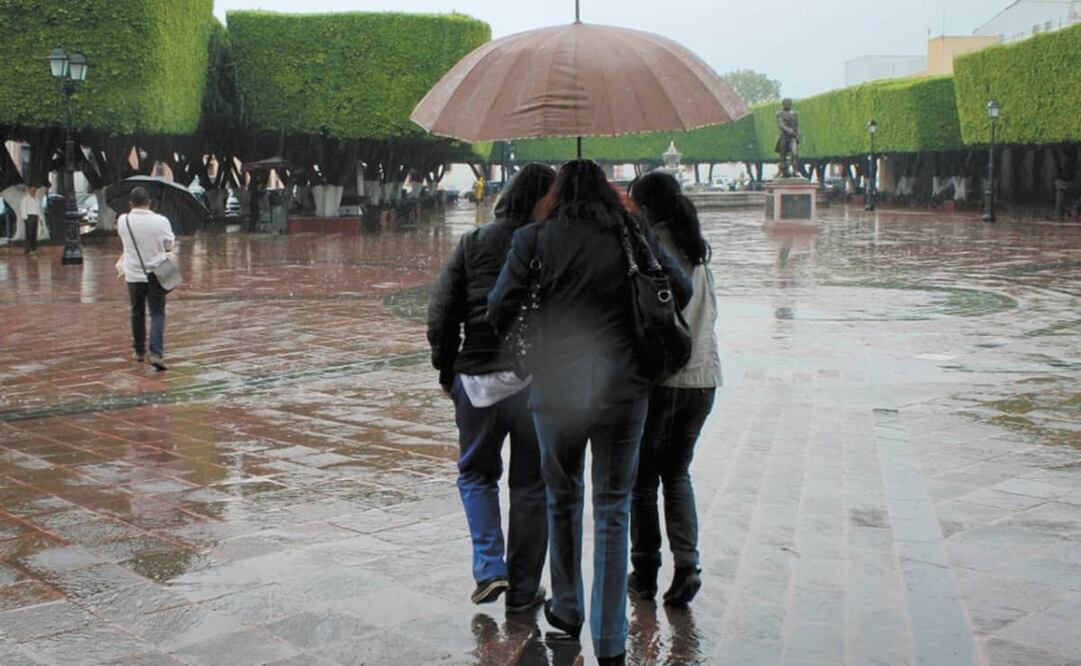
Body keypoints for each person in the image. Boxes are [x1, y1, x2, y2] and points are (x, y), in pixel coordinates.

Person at [488, 160, 690, 665]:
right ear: (606, 191)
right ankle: (610, 638)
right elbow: (679, 287)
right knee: (613, 507)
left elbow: (497, 310)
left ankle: (568, 610)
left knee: (562, 499)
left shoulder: (533, 240)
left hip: (556, 390)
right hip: (624, 390)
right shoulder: (630, 230)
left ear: (557, 194)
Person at [427, 164, 556, 613]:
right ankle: (523, 590)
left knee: (477, 474)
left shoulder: (473, 242)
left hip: (476, 377)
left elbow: (442, 313)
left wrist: (447, 370)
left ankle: (489, 567)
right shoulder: (550, 245)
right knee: (530, 484)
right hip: (533, 383)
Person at [626, 172, 722, 607]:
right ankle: (688, 564)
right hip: (704, 379)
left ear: (645, 208)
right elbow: (711, 316)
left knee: (643, 482)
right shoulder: (698, 250)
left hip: (665, 380)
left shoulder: (651, 250)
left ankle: (644, 570)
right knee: (678, 474)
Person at [117, 187, 175, 371]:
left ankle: (139, 351)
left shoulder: (123, 220)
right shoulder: (161, 221)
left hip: (134, 274)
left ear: (130, 204)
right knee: (157, 313)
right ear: (149, 202)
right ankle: (156, 353)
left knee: (137, 310)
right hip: (156, 273)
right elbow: (169, 244)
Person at [775, 98, 801, 178]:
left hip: (793, 138)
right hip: (784, 137)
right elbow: (781, 125)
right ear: (783, 104)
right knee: (783, 155)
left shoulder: (794, 114)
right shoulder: (779, 113)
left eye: (790, 104)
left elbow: (796, 126)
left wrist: (798, 134)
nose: (789, 105)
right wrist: (789, 131)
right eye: (787, 103)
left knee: (795, 154)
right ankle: (783, 170)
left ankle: (795, 171)